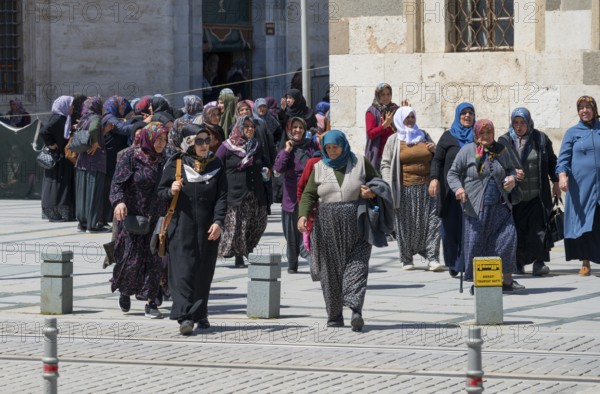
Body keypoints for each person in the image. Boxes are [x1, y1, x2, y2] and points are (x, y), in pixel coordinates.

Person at [298, 130, 380, 332]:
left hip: (357, 221)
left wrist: (371, 193)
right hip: (326, 224)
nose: (332, 151)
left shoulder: (360, 162)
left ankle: (355, 310)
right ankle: (334, 315)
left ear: (344, 145)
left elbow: (378, 183)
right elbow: (308, 194)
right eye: (328, 148)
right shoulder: (318, 167)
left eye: (336, 147)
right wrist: (302, 215)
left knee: (358, 264)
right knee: (329, 270)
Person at [157, 124, 227, 334]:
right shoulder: (176, 164)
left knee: (204, 272)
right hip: (181, 227)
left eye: (207, 140)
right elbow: (160, 192)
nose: (205, 145)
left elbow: (222, 197)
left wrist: (218, 222)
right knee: (184, 272)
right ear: (189, 142)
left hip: (208, 228)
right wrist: (171, 190)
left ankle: (201, 313)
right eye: (199, 141)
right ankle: (185, 317)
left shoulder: (216, 164)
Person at [447, 119, 524, 292]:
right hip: (476, 208)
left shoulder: (501, 150)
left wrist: (512, 179)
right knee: (477, 244)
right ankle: (479, 281)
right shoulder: (467, 151)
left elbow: (511, 169)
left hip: (500, 206)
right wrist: (458, 188)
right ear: (476, 134)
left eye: (489, 133)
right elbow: (452, 173)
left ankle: (506, 280)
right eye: (482, 133)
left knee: (507, 240)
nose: (486, 136)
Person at [110, 122, 169, 319]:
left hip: (158, 218)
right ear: (148, 138)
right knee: (131, 260)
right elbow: (117, 183)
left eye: (164, 139)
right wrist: (119, 202)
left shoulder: (166, 159)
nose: (161, 144)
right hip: (134, 216)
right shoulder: (131, 156)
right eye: (158, 139)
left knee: (155, 260)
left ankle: (151, 302)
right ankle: (125, 291)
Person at [498, 107, 559, 276]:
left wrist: (555, 181)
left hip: (537, 195)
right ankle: (517, 263)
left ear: (528, 122)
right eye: (516, 122)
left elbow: (552, 161)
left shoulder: (540, 139)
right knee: (516, 230)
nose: (519, 126)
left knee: (539, 229)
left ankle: (539, 263)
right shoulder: (503, 141)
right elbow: (497, 166)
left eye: (522, 122)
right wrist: (511, 174)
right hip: (515, 196)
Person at [380, 107, 443, 272]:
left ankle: (433, 257)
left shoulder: (424, 135)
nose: (410, 120)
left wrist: (435, 150)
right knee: (406, 224)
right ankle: (406, 258)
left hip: (428, 187)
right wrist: (388, 184)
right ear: (400, 119)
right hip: (404, 188)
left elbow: (437, 158)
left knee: (432, 222)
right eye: (406, 118)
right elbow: (386, 163)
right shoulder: (394, 140)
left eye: (412, 117)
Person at [429, 102, 476, 276]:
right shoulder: (448, 136)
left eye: (470, 113)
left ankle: (465, 262)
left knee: (469, 228)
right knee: (450, 228)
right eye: (463, 113)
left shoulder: (478, 136)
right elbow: (437, 160)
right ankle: (453, 262)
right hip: (450, 191)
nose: (467, 116)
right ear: (458, 116)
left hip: (473, 191)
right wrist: (434, 179)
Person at [216, 115, 269, 267]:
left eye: (252, 126)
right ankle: (239, 255)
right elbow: (216, 165)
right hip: (235, 193)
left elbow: (263, 161)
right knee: (239, 225)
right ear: (239, 128)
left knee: (258, 222)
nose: (250, 129)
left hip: (255, 191)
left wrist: (267, 169)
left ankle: (246, 249)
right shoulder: (227, 146)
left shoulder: (256, 145)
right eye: (246, 126)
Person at [556, 96, 600, 276]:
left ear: (594, 109)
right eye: (581, 108)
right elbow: (563, 159)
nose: (584, 111)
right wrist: (562, 176)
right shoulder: (572, 132)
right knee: (584, 222)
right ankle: (585, 262)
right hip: (581, 187)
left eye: (588, 107)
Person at [274, 117, 318, 273]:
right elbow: (278, 169)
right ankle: (292, 264)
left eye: (301, 127)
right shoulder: (286, 148)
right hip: (291, 197)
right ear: (289, 130)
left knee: (309, 230)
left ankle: (312, 259)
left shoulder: (312, 146)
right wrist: (287, 151)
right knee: (291, 233)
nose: (298, 130)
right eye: (295, 127)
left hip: (309, 194)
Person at [75, 97, 112, 233]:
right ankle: (94, 224)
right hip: (95, 162)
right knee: (94, 193)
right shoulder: (96, 117)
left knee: (83, 193)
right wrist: (96, 143)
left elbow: (88, 132)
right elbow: (93, 129)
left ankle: (83, 223)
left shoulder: (84, 118)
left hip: (82, 162)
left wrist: (103, 132)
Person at [40, 95, 75, 222]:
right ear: (64, 106)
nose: (73, 107)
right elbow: (43, 131)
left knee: (60, 185)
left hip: (62, 158)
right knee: (55, 185)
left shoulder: (65, 118)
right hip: (57, 158)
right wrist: (52, 144)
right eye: (71, 105)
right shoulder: (58, 118)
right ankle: (53, 213)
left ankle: (61, 213)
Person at [365, 83, 399, 171]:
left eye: (388, 94)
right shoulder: (372, 111)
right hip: (379, 156)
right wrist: (384, 125)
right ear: (377, 95)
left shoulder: (395, 109)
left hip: (395, 153)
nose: (386, 97)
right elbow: (370, 134)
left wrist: (405, 112)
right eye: (383, 94)